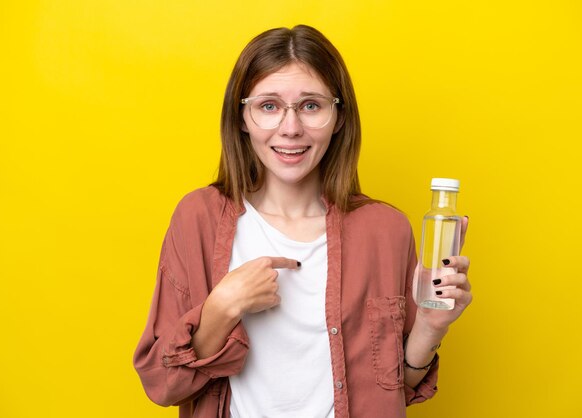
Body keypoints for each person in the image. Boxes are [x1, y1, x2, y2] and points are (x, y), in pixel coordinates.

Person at [133, 24, 472, 418]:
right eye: (269, 106)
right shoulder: (198, 218)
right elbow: (161, 384)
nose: (291, 128)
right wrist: (222, 307)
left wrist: (431, 326)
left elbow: (397, 388)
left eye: (311, 105)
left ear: (339, 116)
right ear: (242, 117)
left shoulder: (386, 229)